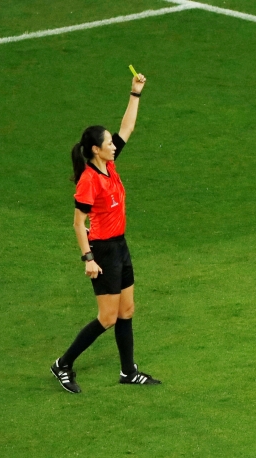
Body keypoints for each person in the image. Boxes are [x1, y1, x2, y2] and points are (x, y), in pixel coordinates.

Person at [50, 73, 161, 393]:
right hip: (103, 251)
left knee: (127, 310)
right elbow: (77, 222)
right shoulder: (89, 180)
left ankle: (128, 372)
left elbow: (126, 128)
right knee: (108, 317)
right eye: (109, 143)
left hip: (120, 246)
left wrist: (135, 93)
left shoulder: (108, 165)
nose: (115, 144)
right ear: (97, 150)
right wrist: (88, 258)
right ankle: (63, 364)